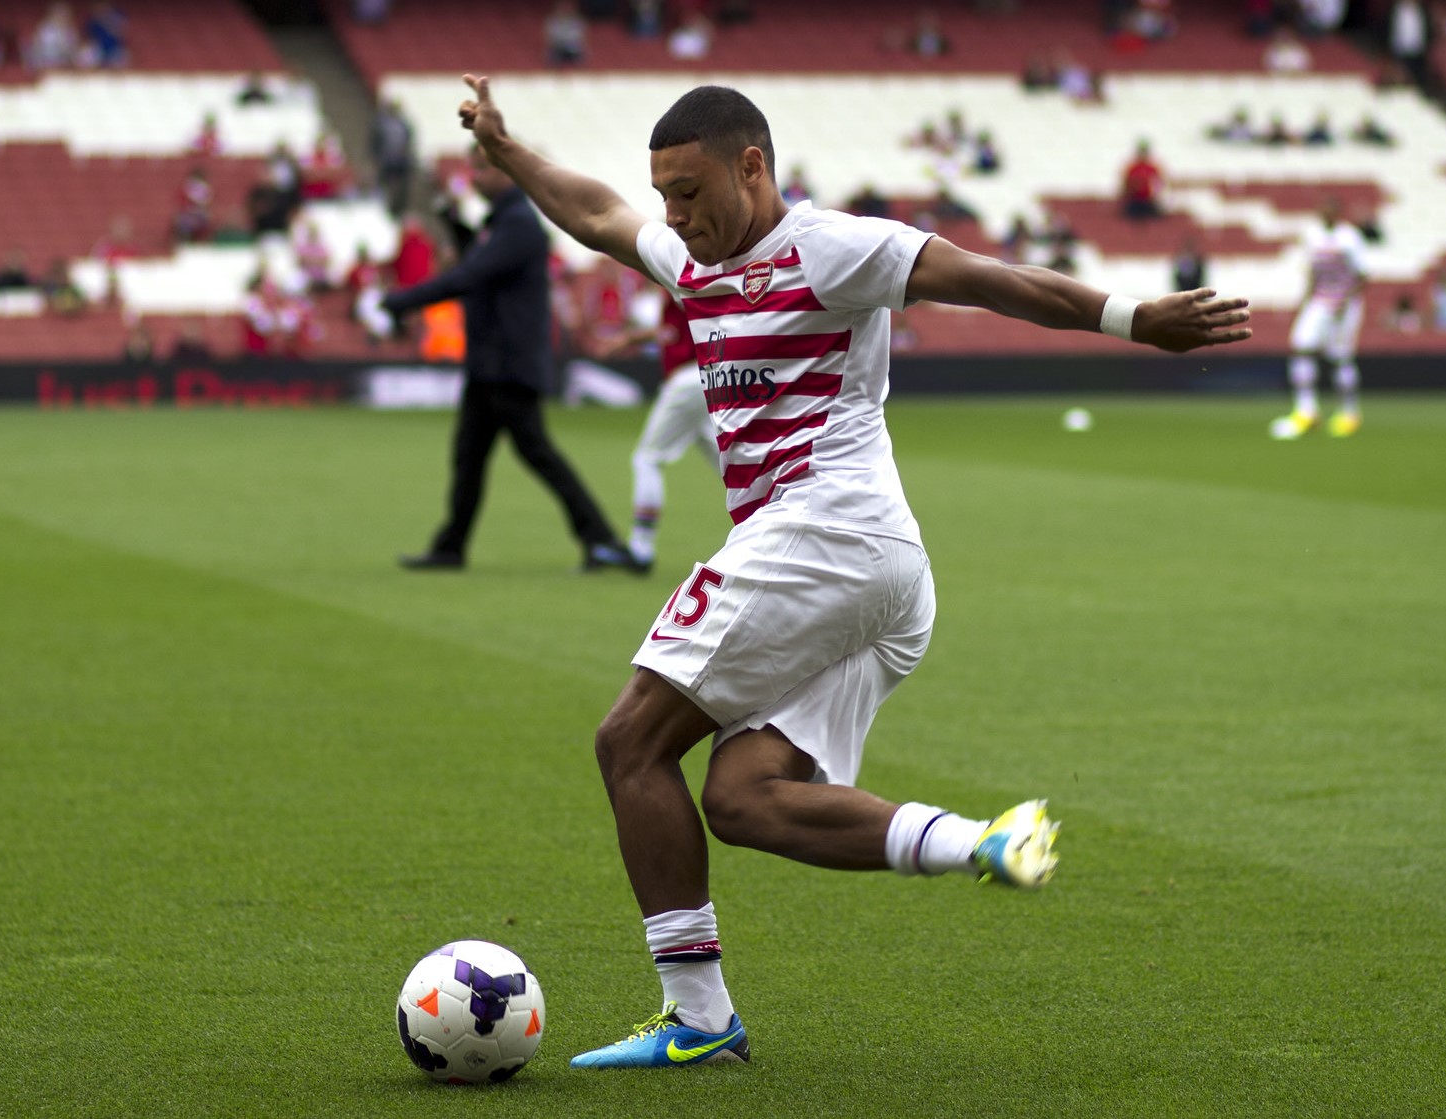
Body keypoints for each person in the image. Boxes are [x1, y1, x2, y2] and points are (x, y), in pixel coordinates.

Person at [448, 75, 1249, 1068]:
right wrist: (504, 149)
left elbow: (987, 278)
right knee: (741, 800)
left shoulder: (829, 247)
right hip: (879, 575)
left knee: (628, 746)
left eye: (690, 190)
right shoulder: (693, 261)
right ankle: (984, 843)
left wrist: (1135, 318)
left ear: (752, 166)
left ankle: (696, 1019)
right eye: (664, 193)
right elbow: (597, 214)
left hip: (819, 538)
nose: (673, 214)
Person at [364, 144, 644, 574]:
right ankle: (452, 546)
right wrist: (451, 219)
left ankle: (601, 541)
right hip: (491, 364)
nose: (474, 177)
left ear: (508, 174)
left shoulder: (518, 226)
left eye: (482, 168)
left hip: (509, 366)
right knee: (472, 458)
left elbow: (470, 275)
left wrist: (399, 302)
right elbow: (477, 262)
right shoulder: (501, 224)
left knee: (535, 455)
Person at [608, 289, 716, 570]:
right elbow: (671, 329)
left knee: (647, 459)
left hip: (687, 379)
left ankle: (640, 548)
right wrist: (634, 337)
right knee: (734, 467)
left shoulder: (682, 271)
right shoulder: (690, 275)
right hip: (708, 378)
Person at [1273, 196, 1368, 439]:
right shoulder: (1312, 236)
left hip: (1344, 303)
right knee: (1301, 346)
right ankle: (1307, 410)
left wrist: (1344, 303)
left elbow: (1362, 276)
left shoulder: (1350, 237)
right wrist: (1305, 301)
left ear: (1338, 212)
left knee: (1340, 356)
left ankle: (1350, 413)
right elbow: (1312, 272)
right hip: (1319, 300)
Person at [1119, 140, 1164, 220]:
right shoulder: (1132, 168)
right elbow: (1125, 184)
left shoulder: (1152, 168)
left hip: (1148, 201)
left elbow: (1159, 184)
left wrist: (1155, 195)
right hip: (1134, 201)